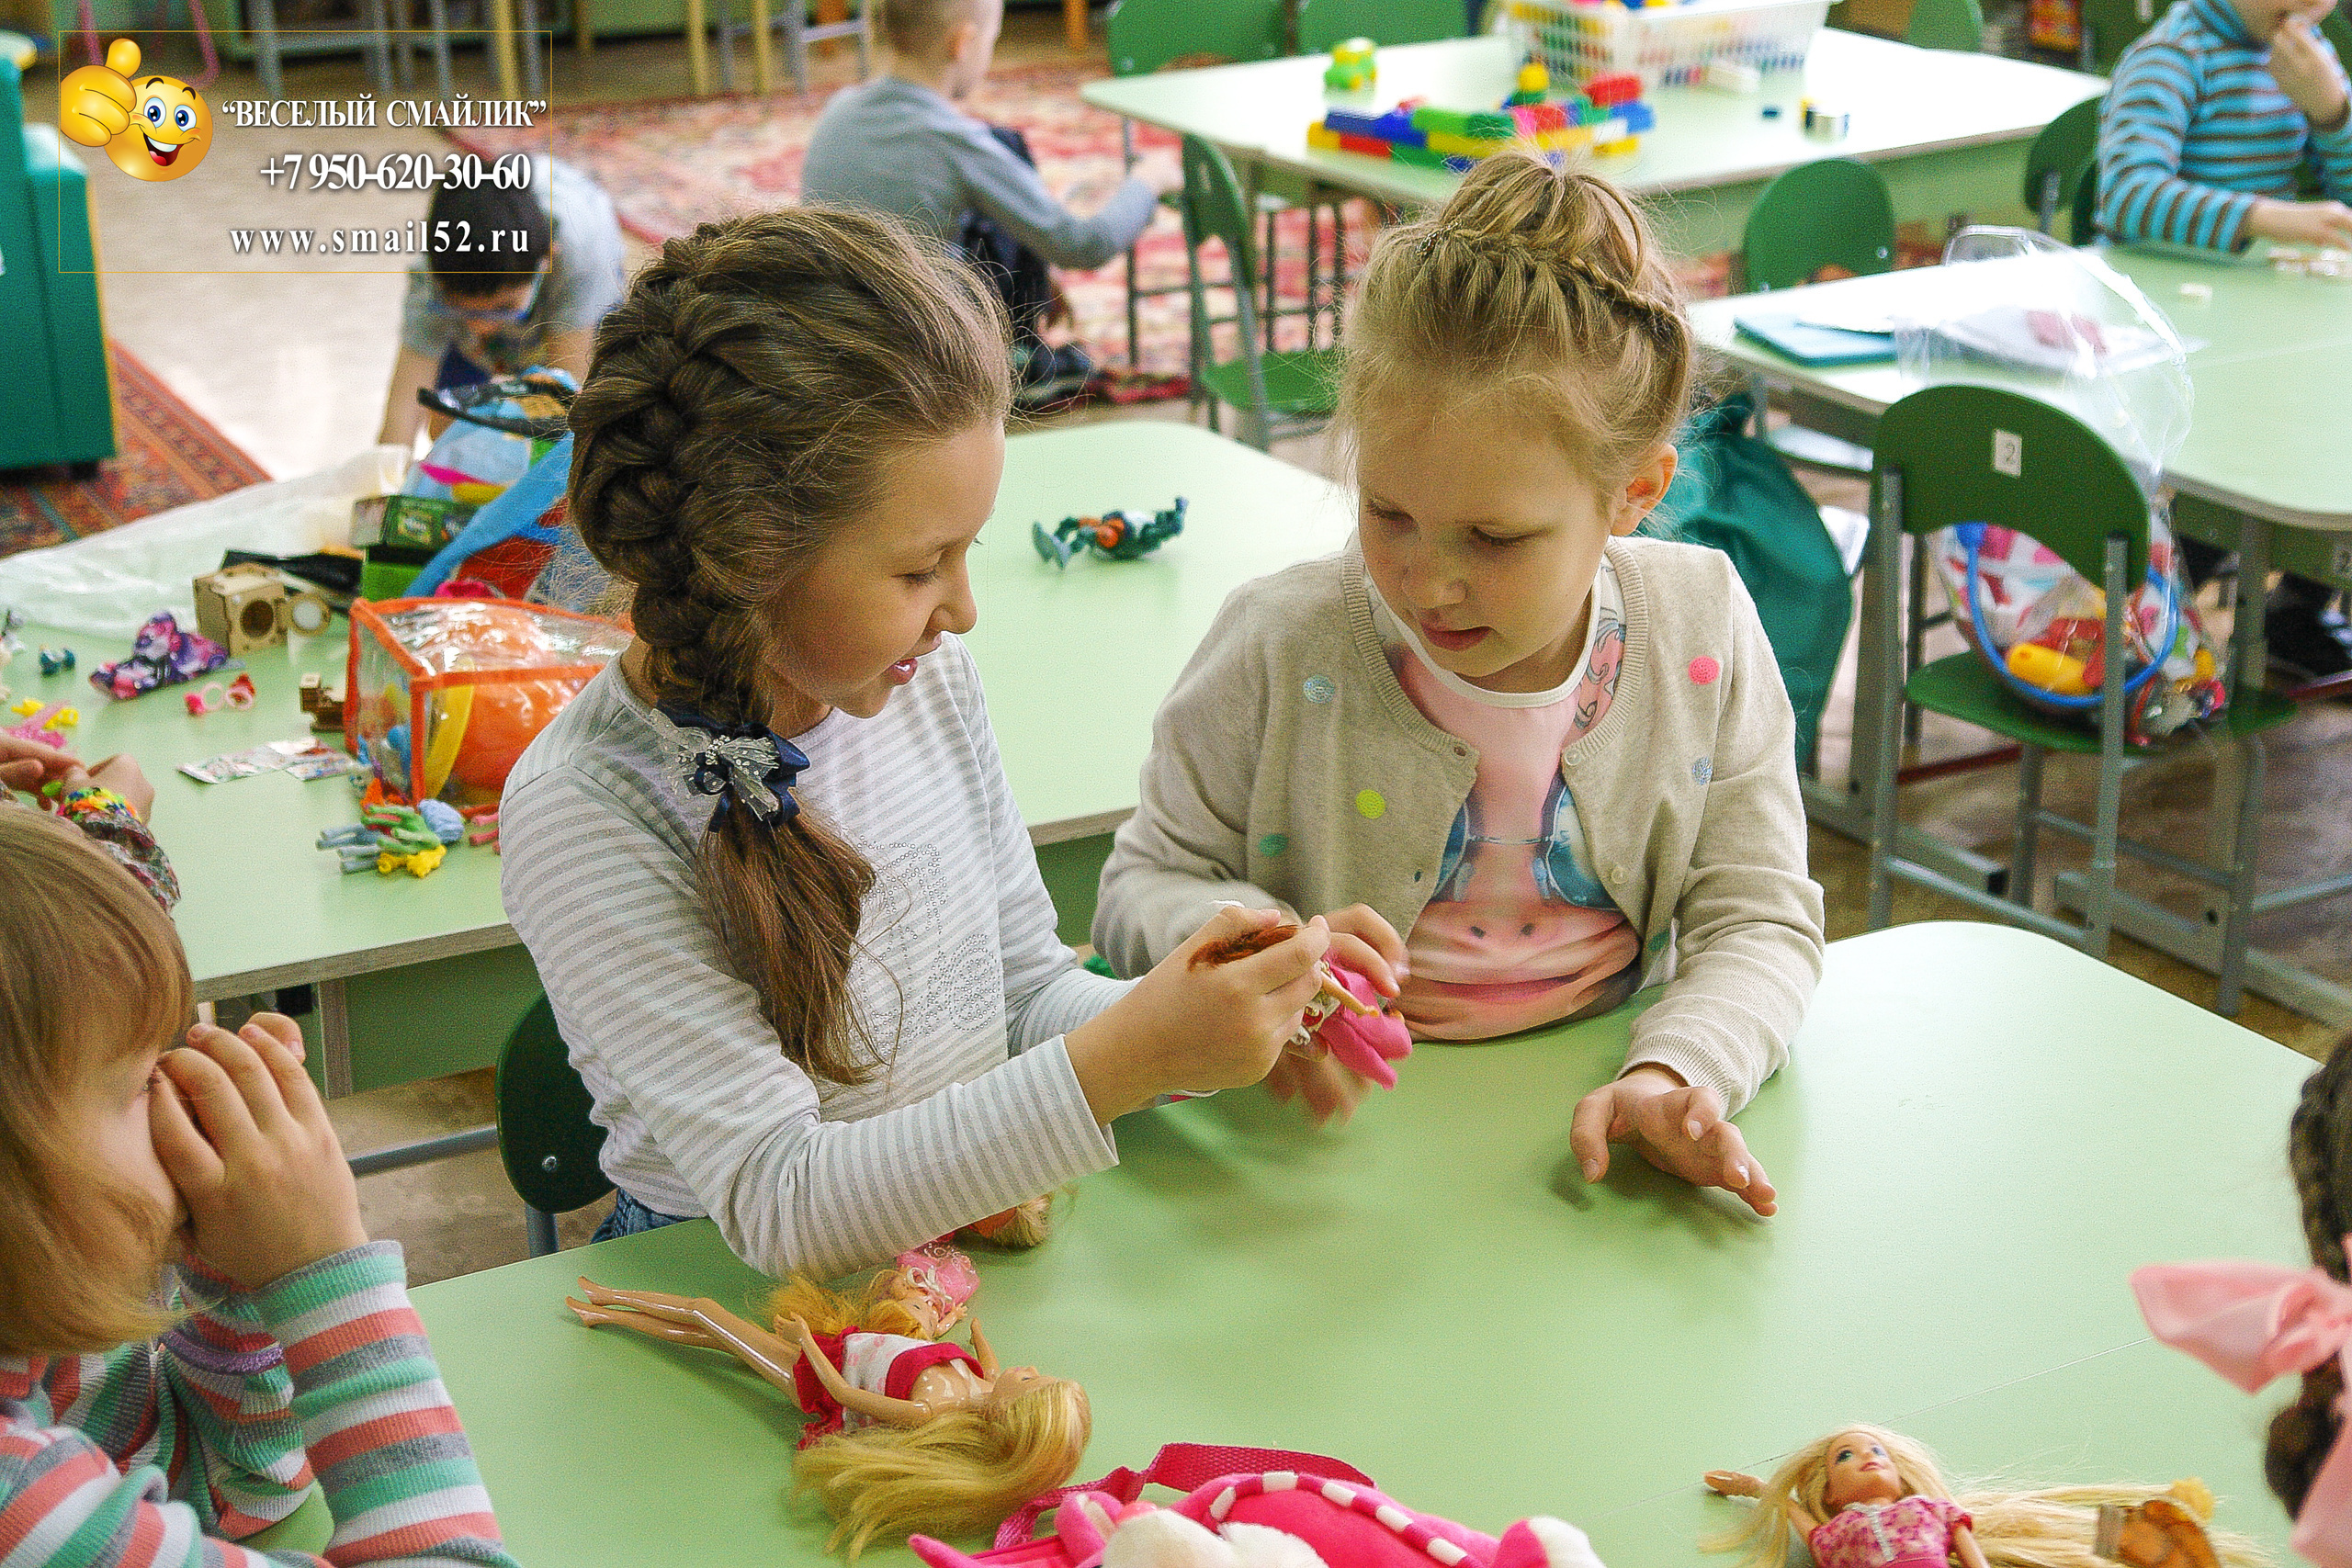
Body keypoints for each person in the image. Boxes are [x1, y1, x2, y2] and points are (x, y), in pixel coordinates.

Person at [497, 205, 1335, 1281]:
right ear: (749, 554)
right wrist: (1128, 1059)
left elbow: (1026, 994)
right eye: (918, 568)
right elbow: (782, 1201)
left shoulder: (919, 681)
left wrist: (1208, 1007)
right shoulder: (588, 809)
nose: (963, 611)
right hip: (730, 1304)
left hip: (949, 1259)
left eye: (967, 550)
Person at [1091, 153, 1826, 1213]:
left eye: (1492, 536)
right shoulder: (1278, 641)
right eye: (1387, 512)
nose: (1428, 581)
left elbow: (1757, 919)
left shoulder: (1699, 624)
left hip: (1580, 1143)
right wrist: (1248, 943)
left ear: (1634, 492)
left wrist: (1679, 1071)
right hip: (1321, 1167)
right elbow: (1139, 885)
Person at [0, 795, 519, 1567]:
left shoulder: (34, 1326)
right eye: (144, 1081)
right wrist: (325, 1281)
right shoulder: (22, 1509)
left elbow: (228, 1492)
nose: (181, 1097)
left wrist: (235, 1274)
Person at [2098, 0, 2352, 681]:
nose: (2309, 5)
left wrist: (2332, 114)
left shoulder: (2307, 59)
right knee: (2225, 472)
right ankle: (2152, 624)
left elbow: (2343, 209)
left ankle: (2298, 605)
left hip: (2273, 322)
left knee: (2330, 423)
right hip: (2172, 330)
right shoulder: (2175, 55)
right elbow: (2125, 195)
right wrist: (2270, 217)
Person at [798, 0, 1181, 409]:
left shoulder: (838, 110)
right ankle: (1019, 362)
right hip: (908, 368)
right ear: (963, 43)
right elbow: (1084, 245)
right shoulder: (954, 143)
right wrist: (1148, 180)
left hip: (828, 346)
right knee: (1004, 151)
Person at [377, 161, 629, 450]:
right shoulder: (431, 278)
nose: (482, 327)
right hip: (511, 276)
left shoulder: (579, 258)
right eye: (462, 308)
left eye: (502, 308)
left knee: (562, 414)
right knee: (446, 426)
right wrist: (383, 479)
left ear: (547, 259)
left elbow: (571, 402)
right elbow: (403, 411)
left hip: (578, 298)